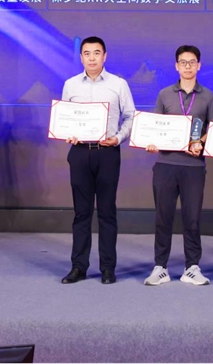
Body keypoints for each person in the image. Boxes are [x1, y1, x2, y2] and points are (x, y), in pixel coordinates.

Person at [60, 36, 135, 285]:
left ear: (105, 56)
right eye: (87, 53)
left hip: (107, 153)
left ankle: (108, 268)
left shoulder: (118, 84)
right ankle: (78, 267)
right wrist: (67, 132)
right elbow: (66, 118)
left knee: (107, 212)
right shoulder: (70, 85)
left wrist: (119, 138)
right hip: (80, 153)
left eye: (96, 53)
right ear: (81, 57)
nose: (91, 58)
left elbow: (130, 116)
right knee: (81, 213)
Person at [143, 45, 213, 287]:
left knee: (192, 218)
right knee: (162, 217)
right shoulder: (165, 94)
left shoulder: (208, 96)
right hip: (165, 164)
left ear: (199, 65)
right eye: (183, 62)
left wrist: (200, 142)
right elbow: (156, 126)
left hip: (193, 166)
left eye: (192, 62)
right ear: (176, 66)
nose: (187, 66)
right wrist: (151, 142)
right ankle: (160, 267)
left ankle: (192, 267)